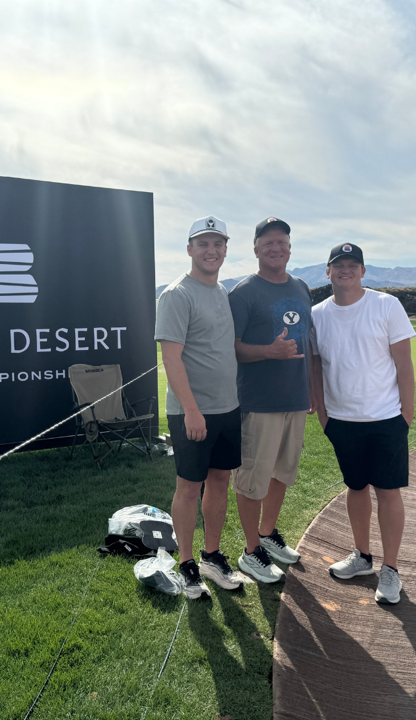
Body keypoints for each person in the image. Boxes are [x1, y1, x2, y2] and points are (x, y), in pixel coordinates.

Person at [310, 242, 416, 605]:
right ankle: (362, 558)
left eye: (353, 265)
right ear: (328, 272)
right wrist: (323, 415)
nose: (346, 270)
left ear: (363, 271)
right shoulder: (317, 314)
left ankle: (391, 570)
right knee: (355, 489)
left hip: (386, 418)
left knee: (387, 492)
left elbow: (404, 363)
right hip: (341, 420)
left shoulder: (386, 305)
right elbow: (315, 365)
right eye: (339, 265)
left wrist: (406, 415)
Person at [155, 216, 245, 599]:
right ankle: (188, 563)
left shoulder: (222, 290)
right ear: (190, 249)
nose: (212, 251)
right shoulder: (177, 294)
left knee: (220, 481)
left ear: (225, 249)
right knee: (189, 487)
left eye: (218, 244)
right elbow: (171, 359)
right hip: (192, 411)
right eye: (203, 244)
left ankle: (211, 555)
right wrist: (191, 410)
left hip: (228, 407)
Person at [226, 217, 313, 584]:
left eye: (282, 242)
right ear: (256, 249)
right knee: (252, 480)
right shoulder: (244, 292)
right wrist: (269, 351)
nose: (276, 248)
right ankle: (250, 552)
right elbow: (231, 348)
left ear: (290, 247)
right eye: (268, 243)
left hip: (295, 398)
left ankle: (267, 533)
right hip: (258, 402)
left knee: (282, 473)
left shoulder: (301, 287)